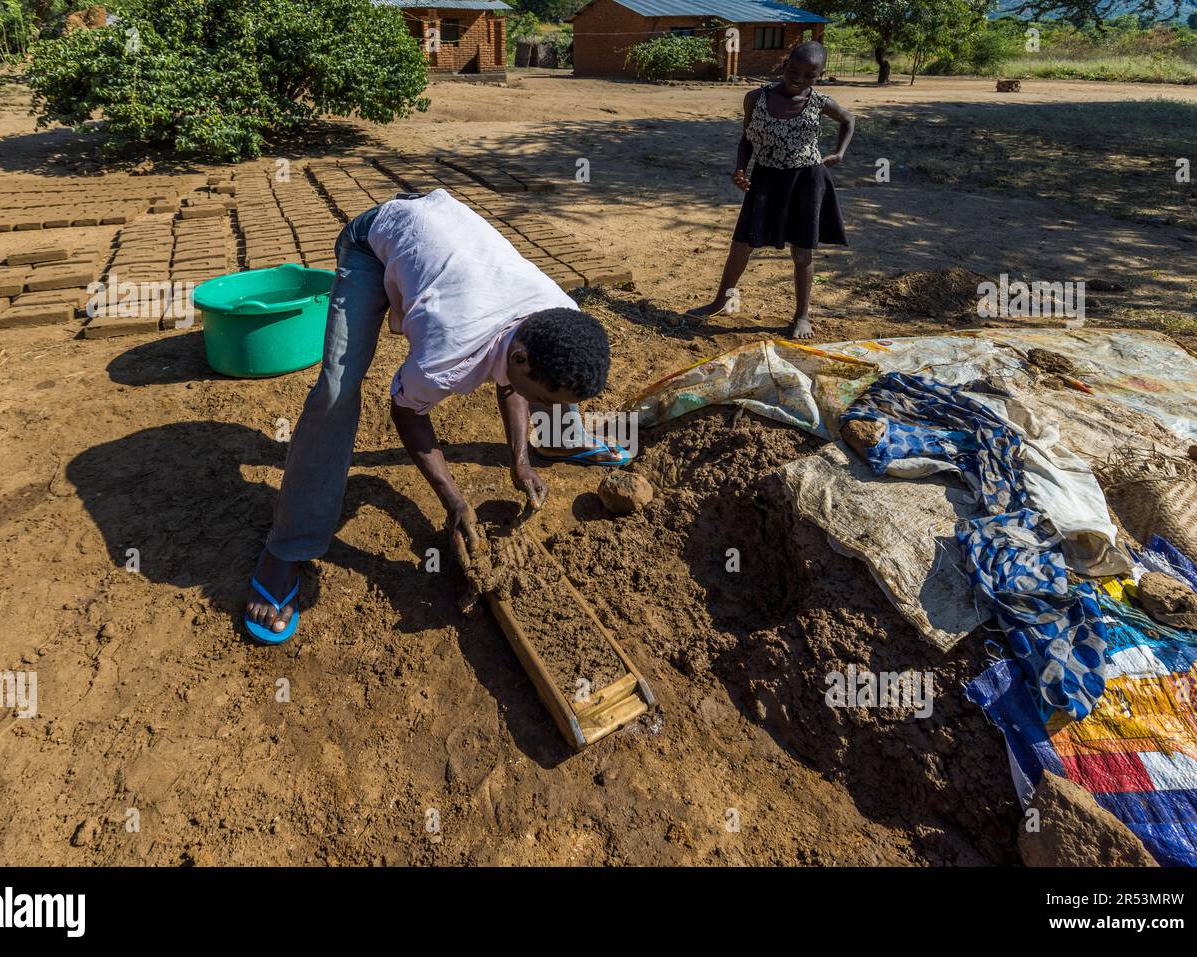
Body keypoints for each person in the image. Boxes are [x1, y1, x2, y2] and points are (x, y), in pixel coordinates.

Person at [244, 189, 627, 644]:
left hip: (448, 244)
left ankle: (560, 440)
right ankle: (286, 547)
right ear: (520, 359)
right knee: (336, 390)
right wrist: (455, 503)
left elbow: (512, 375)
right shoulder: (448, 353)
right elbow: (406, 413)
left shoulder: (557, 313)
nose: (548, 405)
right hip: (375, 239)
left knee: (562, 370)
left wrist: (519, 459)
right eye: (547, 400)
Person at [689, 41, 854, 339]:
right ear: (783, 65)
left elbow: (848, 120)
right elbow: (746, 139)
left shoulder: (820, 102)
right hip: (765, 178)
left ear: (819, 75)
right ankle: (721, 300)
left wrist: (840, 153)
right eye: (794, 70)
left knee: (802, 252)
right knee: (742, 244)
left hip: (806, 180)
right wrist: (741, 169)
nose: (799, 79)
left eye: (809, 75)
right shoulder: (756, 98)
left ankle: (802, 316)